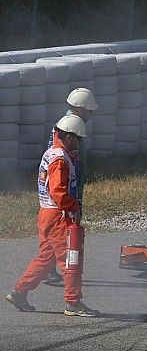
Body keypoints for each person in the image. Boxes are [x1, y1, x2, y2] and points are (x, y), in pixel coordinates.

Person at [5, 115, 99, 317]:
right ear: (68, 137)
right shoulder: (60, 160)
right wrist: (73, 206)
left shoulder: (53, 152)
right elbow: (58, 191)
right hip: (58, 216)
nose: (79, 143)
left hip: (46, 214)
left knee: (46, 259)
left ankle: (19, 292)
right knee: (70, 259)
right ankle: (73, 303)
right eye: (77, 139)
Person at [44, 88, 98, 286]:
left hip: (71, 183)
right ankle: (64, 273)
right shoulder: (68, 128)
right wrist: (72, 198)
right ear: (81, 109)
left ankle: (54, 269)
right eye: (89, 110)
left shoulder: (70, 125)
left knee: (62, 231)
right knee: (64, 231)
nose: (91, 114)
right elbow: (62, 159)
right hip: (65, 186)